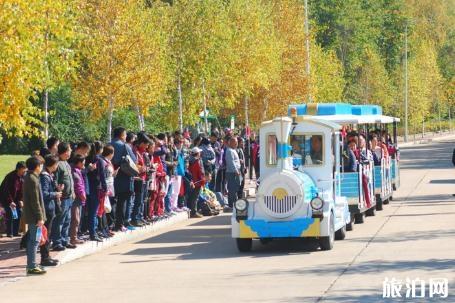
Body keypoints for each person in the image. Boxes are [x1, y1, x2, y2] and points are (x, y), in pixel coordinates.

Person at [22, 155, 46, 275]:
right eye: (41, 165)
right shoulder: (32, 179)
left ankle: (32, 264)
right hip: (35, 217)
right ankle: (31, 266)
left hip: (34, 216)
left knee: (34, 240)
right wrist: (40, 217)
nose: (42, 167)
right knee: (34, 241)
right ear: (37, 166)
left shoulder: (31, 177)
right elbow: (35, 201)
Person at [111, 127, 137, 232]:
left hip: (110, 177)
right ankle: (120, 224)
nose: (126, 137)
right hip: (123, 176)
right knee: (122, 201)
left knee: (110, 202)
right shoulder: (124, 146)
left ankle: (109, 224)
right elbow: (133, 159)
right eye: (125, 134)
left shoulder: (108, 144)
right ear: (122, 135)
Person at [52, 142, 76, 251]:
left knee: (67, 220)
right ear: (65, 151)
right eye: (70, 150)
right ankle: (57, 242)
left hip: (69, 196)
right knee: (59, 220)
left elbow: (70, 179)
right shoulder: (58, 164)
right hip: (62, 197)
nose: (71, 151)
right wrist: (58, 189)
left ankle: (64, 240)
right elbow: (55, 180)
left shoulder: (66, 163)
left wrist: (73, 192)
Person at [39, 154, 62, 266]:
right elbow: (44, 193)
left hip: (50, 208)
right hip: (47, 209)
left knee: (48, 233)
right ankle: (45, 258)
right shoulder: (44, 176)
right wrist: (55, 194)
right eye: (56, 163)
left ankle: (47, 256)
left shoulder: (49, 175)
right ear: (53, 164)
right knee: (46, 234)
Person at [0, 161, 26, 237]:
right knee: (10, 213)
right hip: (6, 199)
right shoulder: (10, 176)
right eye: (23, 169)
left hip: (16, 200)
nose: (24, 171)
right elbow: (6, 191)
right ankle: (9, 233)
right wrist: (10, 201)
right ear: (18, 169)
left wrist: (21, 200)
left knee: (18, 212)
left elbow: (21, 190)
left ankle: (15, 231)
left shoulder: (22, 177)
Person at [131, 133, 151, 227]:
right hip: (137, 178)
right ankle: (134, 218)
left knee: (142, 200)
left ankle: (139, 217)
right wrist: (143, 168)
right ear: (142, 143)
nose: (147, 147)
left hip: (143, 178)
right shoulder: (135, 151)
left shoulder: (142, 152)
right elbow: (135, 165)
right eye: (146, 144)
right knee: (138, 200)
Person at [86, 141, 104, 241]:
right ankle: (93, 233)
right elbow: (102, 176)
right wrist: (105, 187)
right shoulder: (99, 160)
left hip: (88, 187)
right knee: (94, 212)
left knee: (90, 212)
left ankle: (93, 231)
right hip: (96, 188)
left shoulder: (87, 159)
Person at [70, 154, 86, 246]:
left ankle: (74, 236)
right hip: (76, 199)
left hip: (78, 199)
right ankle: (73, 238)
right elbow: (78, 186)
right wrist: (83, 195)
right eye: (83, 162)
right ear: (79, 162)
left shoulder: (78, 170)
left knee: (77, 219)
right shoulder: (75, 172)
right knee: (75, 219)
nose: (84, 164)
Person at [187, 147, 205, 218]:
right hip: (197, 181)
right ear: (197, 153)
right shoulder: (198, 161)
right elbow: (201, 171)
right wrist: (202, 181)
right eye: (199, 152)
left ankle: (192, 211)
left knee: (191, 197)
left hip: (191, 180)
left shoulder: (190, 160)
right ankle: (194, 212)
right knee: (195, 197)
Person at [225, 137, 241, 209]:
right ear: (230, 142)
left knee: (235, 188)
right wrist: (235, 170)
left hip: (235, 172)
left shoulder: (233, 150)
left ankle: (233, 204)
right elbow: (230, 162)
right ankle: (233, 205)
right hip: (232, 172)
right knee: (232, 189)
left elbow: (234, 161)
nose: (236, 143)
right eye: (235, 142)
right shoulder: (229, 151)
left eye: (237, 142)